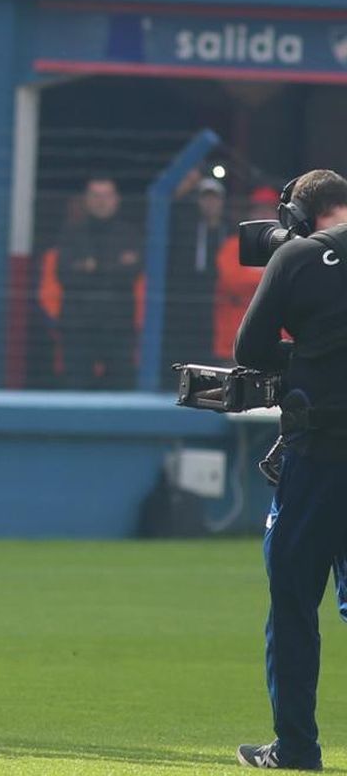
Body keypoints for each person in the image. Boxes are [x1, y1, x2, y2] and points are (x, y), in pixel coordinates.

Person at [233, 169, 347, 771]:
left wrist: (310, 358)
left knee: (294, 603)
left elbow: (248, 350)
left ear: (299, 217)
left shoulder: (298, 256)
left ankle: (298, 750)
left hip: (321, 459)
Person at [57, 176, 142, 390]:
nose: (101, 201)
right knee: (76, 386)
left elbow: (133, 272)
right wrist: (115, 266)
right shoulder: (71, 233)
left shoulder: (130, 234)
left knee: (121, 387)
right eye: (95, 196)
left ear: (116, 199)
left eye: (106, 196)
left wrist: (91, 268)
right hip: (78, 326)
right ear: (86, 199)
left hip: (118, 325)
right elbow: (64, 275)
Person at [163, 176, 228, 377]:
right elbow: (167, 214)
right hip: (188, 295)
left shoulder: (230, 230)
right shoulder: (187, 228)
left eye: (214, 198)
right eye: (205, 198)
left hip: (218, 296)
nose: (210, 203)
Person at [213, 186, 275, 362]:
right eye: (258, 209)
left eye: (268, 209)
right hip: (234, 339)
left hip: (276, 342)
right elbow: (232, 281)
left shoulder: (286, 245)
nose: (263, 214)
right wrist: (272, 279)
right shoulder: (233, 245)